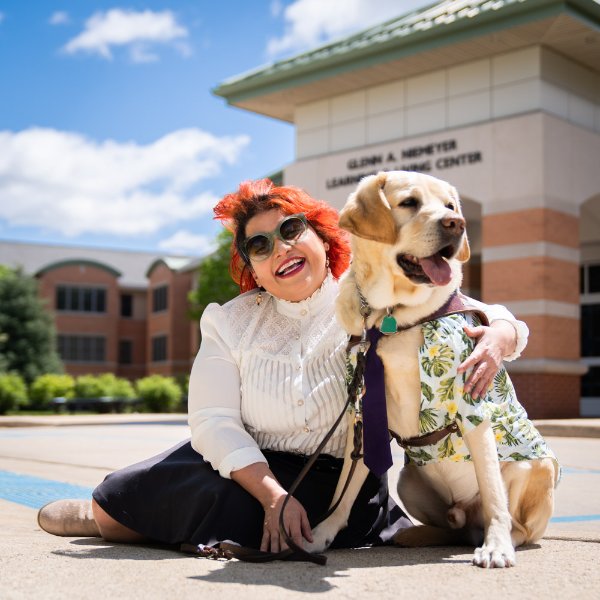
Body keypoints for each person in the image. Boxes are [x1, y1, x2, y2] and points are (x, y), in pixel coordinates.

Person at [37, 178, 529, 554]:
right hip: (253, 464)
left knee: (233, 509)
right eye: (260, 246)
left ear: (322, 238)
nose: (281, 250)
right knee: (146, 487)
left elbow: (464, 305)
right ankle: (104, 515)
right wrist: (271, 494)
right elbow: (213, 422)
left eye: (292, 230)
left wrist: (501, 335)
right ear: (250, 269)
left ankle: (149, 523)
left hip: (340, 478)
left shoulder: (369, 297)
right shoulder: (230, 322)